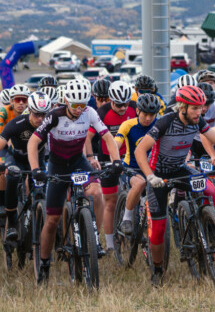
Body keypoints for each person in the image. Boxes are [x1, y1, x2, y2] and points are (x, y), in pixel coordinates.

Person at [134, 85, 215, 285]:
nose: (200, 112)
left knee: (210, 190)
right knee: (158, 228)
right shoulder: (165, 122)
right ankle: (157, 268)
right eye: (194, 108)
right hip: (159, 175)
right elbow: (140, 151)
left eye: (201, 108)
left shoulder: (197, 121)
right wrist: (149, 176)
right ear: (182, 107)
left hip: (180, 169)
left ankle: (208, 229)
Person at [30, 80, 123, 285]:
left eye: (83, 104)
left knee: (97, 193)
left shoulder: (89, 112)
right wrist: (37, 169)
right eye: (75, 105)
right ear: (66, 101)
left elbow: (108, 137)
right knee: (52, 220)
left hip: (78, 162)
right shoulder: (55, 116)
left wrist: (116, 161)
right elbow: (34, 141)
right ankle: (44, 263)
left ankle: (93, 240)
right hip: (57, 165)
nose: (80, 109)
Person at [85, 80, 137, 252]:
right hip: (107, 158)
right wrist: (92, 157)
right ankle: (109, 244)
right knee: (111, 202)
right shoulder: (102, 112)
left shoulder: (135, 107)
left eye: (125, 104)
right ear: (110, 100)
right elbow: (88, 138)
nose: (123, 108)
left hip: (129, 155)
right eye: (118, 104)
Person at [0, 92, 53, 242]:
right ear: (29, 110)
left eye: (44, 115)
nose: (40, 119)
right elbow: (1, 142)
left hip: (36, 160)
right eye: (36, 114)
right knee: (11, 177)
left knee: (41, 190)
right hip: (15, 159)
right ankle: (11, 222)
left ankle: (39, 221)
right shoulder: (16, 123)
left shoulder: (49, 125)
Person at [114, 93, 163, 235]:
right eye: (145, 114)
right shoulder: (128, 125)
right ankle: (126, 218)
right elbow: (116, 144)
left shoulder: (159, 125)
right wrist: (115, 160)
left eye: (152, 115)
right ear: (137, 111)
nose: (148, 118)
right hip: (131, 168)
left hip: (153, 168)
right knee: (140, 184)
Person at [0, 84, 31, 213]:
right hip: (6, 144)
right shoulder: (4, 112)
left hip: (24, 147)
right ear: (12, 101)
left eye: (24, 100)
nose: (21, 103)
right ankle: (2, 204)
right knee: (2, 171)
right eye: (18, 100)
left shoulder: (31, 114)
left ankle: (32, 206)